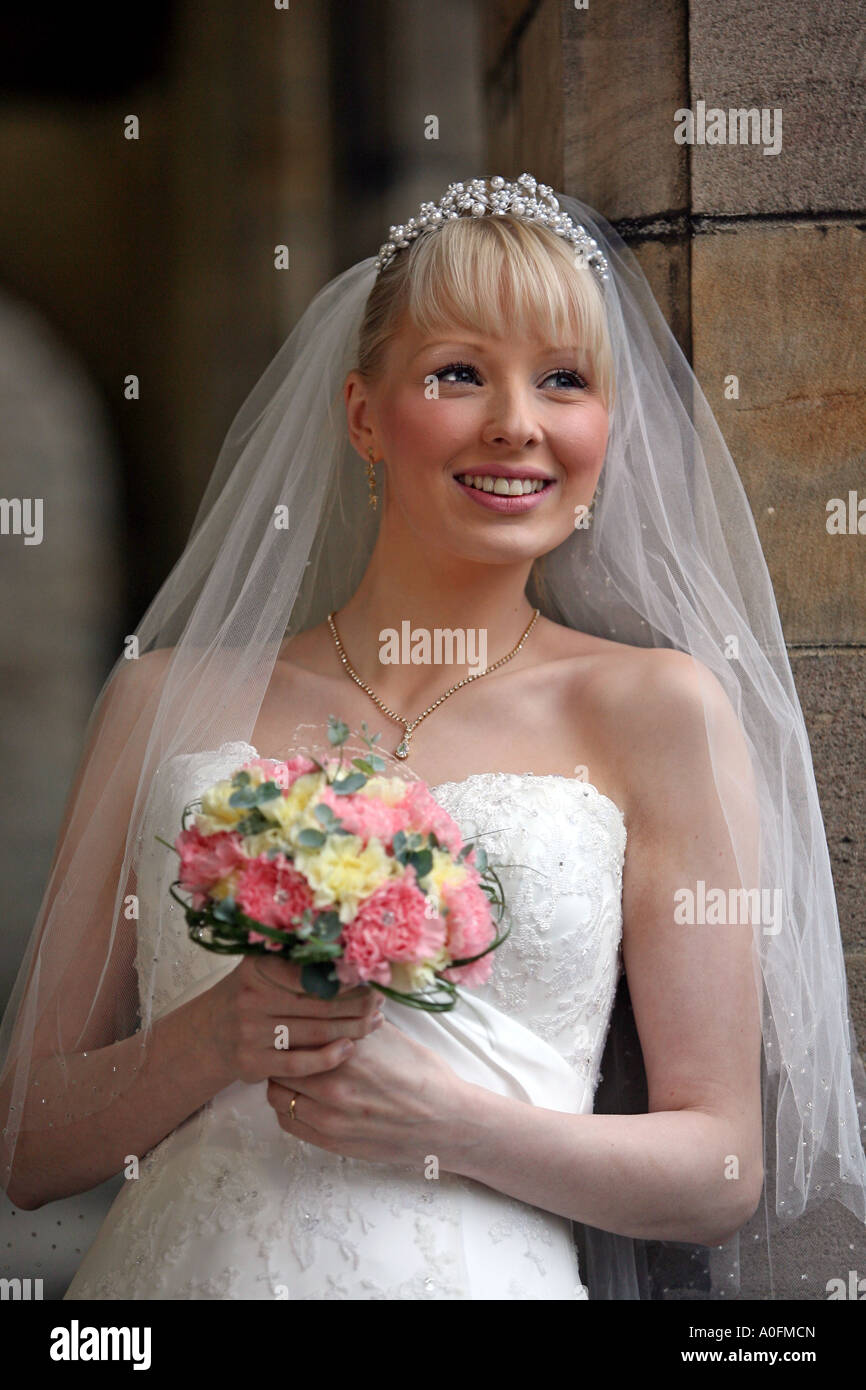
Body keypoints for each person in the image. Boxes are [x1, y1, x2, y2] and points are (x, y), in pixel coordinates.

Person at [1, 174, 864, 1300]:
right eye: (458, 373)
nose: (516, 420)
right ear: (363, 413)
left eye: (563, 379)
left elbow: (717, 1166)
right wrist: (206, 1043)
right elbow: (26, 1149)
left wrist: (449, 1125)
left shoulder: (659, 712)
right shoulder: (163, 700)